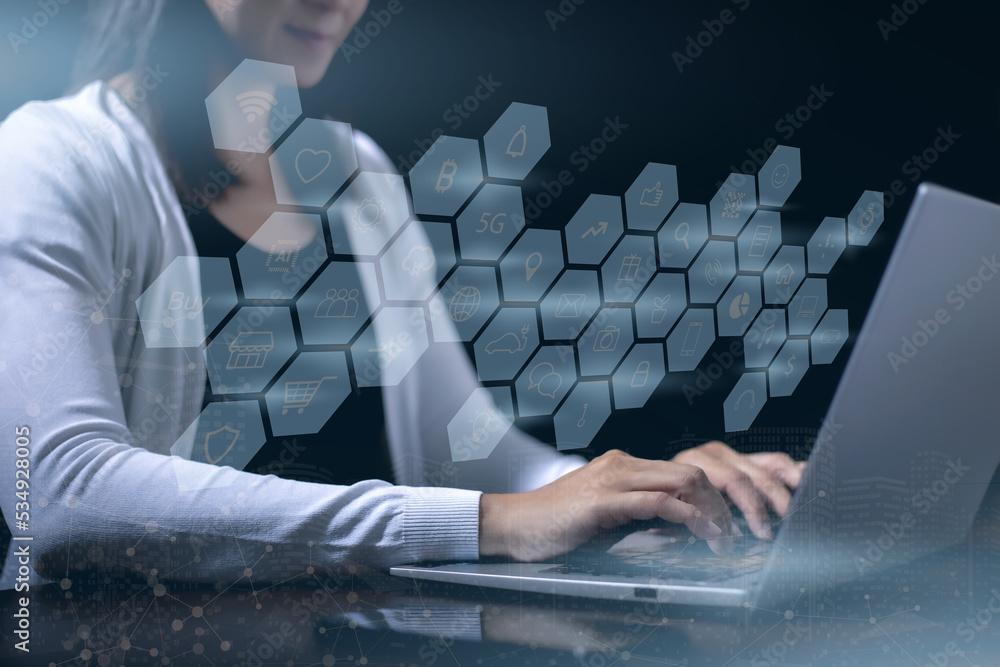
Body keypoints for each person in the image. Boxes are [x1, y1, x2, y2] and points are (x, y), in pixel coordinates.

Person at [0, 0, 804, 589]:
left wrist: (642, 491)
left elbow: (466, 452)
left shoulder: (354, 173)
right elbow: (60, 491)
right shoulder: (49, 161)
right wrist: (491, 523)